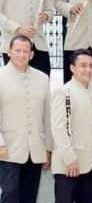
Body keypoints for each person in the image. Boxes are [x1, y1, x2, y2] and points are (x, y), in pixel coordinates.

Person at [50, 49, 92, 203]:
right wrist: (69, 159)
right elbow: (58, 128)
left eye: (91, 65)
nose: (88, 70)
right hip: (68, 164)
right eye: (83, 65)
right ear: (72, 68)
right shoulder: (62, 92)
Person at [0, 35, 52, 203]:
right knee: (10, 195)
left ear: (31, 54)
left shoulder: (43, 78)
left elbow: (47, 115)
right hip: (8, 150)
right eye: (18, 50)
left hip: (36, 150)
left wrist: (49, 148)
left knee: (29, 197)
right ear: (9, 52)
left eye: (26, 51)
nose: (22, 55)